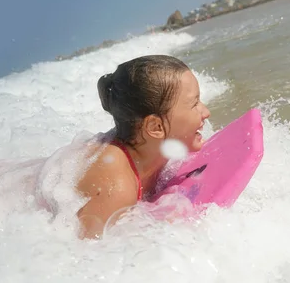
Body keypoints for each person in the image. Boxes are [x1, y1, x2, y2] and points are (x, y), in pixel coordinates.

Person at [76, 55, 211, 239]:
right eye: (194, 104)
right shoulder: (115, 189)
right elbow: (83, 255)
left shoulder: (151, 147)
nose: (206, 112)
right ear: (155, 127)